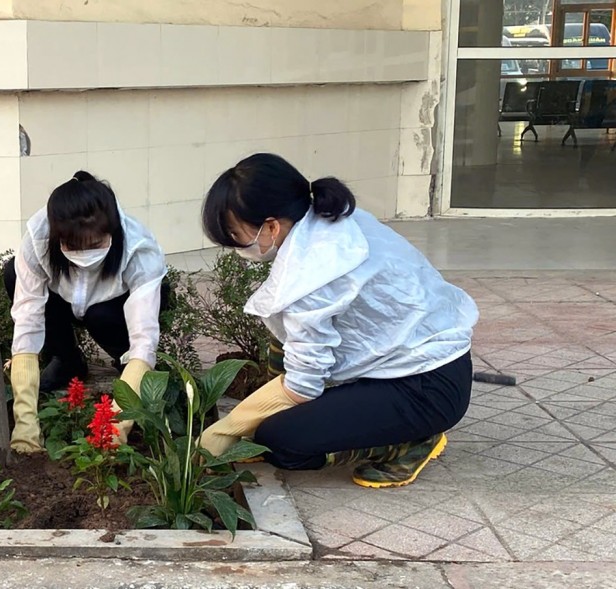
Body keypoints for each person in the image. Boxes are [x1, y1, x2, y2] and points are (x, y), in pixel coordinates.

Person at [198, 153, 478, 488]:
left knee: (280, 440)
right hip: (417, 362)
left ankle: (412, 442)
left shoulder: (314, 272)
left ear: (271, 226)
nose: (235, 247)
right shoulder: (328, 218)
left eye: (235, 234)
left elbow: (303, 385)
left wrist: (227, 428)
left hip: (426, 388)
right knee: (283, 335)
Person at [4, 170, 168, 454]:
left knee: (100, 316)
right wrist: (25, 423)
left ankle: (125, 366)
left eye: (94, 245)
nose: (84, 255)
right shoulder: (38, 238)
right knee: (11, 273)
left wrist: (117, 422)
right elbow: (28, 319)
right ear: (57, 236)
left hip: (113, 311)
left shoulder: (139, 247)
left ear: (111, 231)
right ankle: (66, 360)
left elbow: (144, 336)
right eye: (72, 246)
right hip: (64, 304)